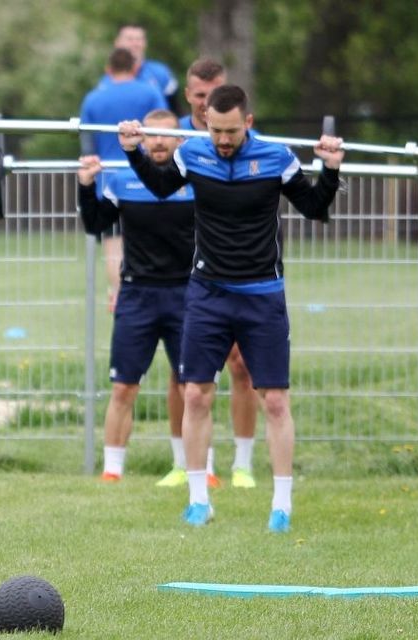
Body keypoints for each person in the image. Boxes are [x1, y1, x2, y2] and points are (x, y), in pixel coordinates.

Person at [118, 85, 343, 532]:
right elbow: (161, 187)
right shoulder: (192, 154)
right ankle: (198, 500)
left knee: (274, 401)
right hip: (208, 294)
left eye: (231, 131)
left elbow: (315, 207)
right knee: (195, 394)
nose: (222, 140)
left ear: (248, 123)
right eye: (216, 130)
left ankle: (281, 507)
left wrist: (330, 168)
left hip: (263, 295)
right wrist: (133, 152)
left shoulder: (276, 158)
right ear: (205, 123)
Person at [77, 109, 191, 484]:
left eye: (166, 135)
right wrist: (86, 185)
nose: (158, 141)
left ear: (181, 140)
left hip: (187, 295)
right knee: (124, 386)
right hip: (137, 296)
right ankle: (112, 471)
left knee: (192, 387)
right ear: (141, 139)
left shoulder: (196, 179)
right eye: (150, 134)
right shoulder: (123, 179)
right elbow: (95, 223)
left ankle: (193, 468)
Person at [165, 57, 259, 490]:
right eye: (199, 96)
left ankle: (243, 463)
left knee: (242, 365)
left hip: (232, 265)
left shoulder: (238, 138)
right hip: (181, 263)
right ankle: (191, 465)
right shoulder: (172, 138)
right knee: (185, 373)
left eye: (213, 95)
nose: (206, 105)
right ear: (188, 95)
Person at [82, 48, 167, 313]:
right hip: (145, 179)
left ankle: (120, 297)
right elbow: (163, 128)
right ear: (135, 68)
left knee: (113, 245)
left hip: (108, 181)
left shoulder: (92, 98)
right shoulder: (150, 93)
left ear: (108, 69)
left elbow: (87, 144)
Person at [101, 23, 179, 110]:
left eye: (139, 39)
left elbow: (174, 108)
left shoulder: (161, 72)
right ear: (117, 42)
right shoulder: (107, 81)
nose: (135, 44)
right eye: (129, 39)